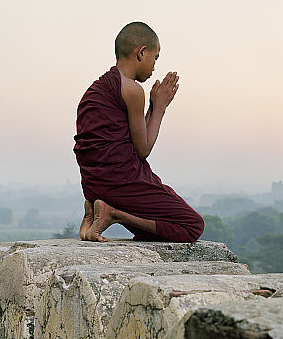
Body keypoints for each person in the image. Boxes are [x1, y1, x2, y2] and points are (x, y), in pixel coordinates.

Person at [73, 22, 205, 243]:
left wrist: (152, 106)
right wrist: (160, 108)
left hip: (93, 184)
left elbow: (129, 141)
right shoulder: (132, 89)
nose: (154, 66)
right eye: (155, 57)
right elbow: (142, 150)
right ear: (141, 52)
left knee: (151, 232)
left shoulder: (97, 88)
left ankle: (95, 211)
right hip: (121, 183)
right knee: (191, 226)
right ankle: (114, 213)